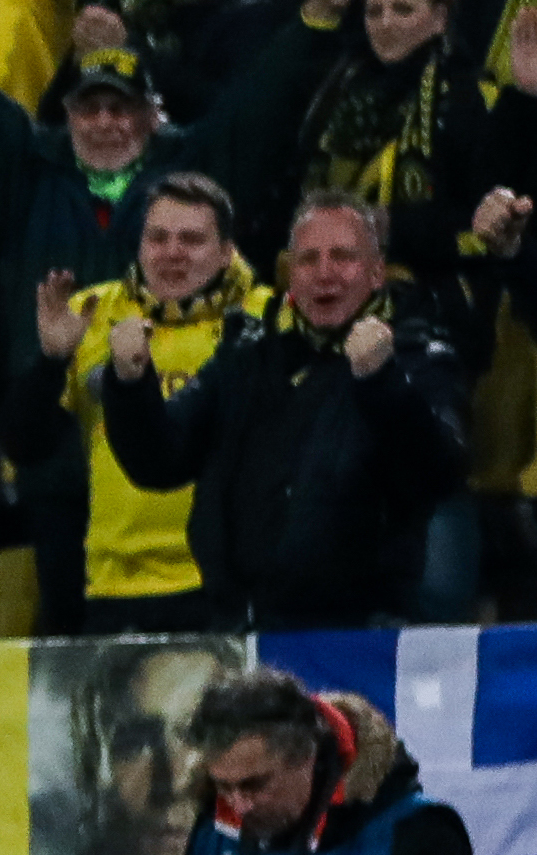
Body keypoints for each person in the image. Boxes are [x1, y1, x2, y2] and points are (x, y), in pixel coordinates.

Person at [101, 194, 471, 629]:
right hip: (246, 629)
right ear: (290, 273)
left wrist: (382, 381)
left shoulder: (418, 354)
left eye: (343, 257)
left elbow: (437, 474)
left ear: (376, 273)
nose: (325, 273)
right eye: (309, 259)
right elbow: (161, 460)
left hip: (364, 634)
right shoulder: (245, 357)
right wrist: (130, 385)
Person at [0, 173, 269, 632]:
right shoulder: (92, 311)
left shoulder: (264, 318)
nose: (172, 253)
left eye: (192, 240)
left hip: (224, 581)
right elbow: (24, 446)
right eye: (158, 238)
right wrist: (51, 361)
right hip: (113, 583)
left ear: (227, 251)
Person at [174, 665, 475, 855]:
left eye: (255, 785)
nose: (239, 805)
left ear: (307, 756)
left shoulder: (420, 834)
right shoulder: (213, 825)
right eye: (223, 786)